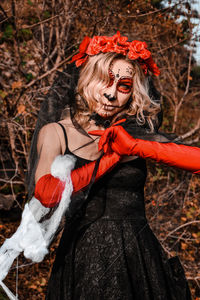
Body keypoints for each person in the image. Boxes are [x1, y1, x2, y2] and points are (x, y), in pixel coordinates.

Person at [0, 32, 200, 300]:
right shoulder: (56, 132)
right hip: (83, 258)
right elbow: (45, 193)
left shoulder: (134, 133)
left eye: (124, 86)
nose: (110, 93)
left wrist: (135, 147)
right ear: (86, 79)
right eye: (104, 80)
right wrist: (111, 159)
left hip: (138, 258)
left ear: (133, 93)